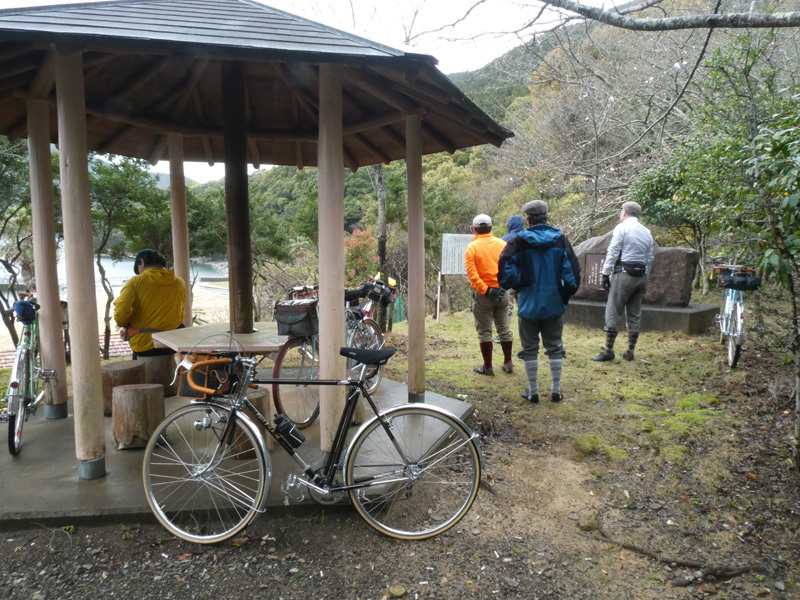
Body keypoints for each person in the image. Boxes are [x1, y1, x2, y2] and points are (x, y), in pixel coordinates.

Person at [498, 200, 580, 403]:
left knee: (529, 348)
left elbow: (503, 267)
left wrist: (519, 282)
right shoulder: (560, 239)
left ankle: (533, 391)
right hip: (554, 302)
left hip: (528, 303)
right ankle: (556, 390)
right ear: (547, 217)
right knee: (554, 346)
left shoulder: (519, 241)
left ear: (528, 219)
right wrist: (562, 295)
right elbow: (573, 276)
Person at [591, 201, 654, 362]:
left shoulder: (622, 228)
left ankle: (608, 350)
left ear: (625, 212)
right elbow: (650, 257)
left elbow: (613, 251)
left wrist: (605, 273)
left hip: (624, 275)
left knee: (613, 311)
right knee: (634, 313)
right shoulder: (647, 231)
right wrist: (645, 274)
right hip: (641, 276)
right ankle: (630, 351)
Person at [464, 214, 513, 376]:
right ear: (491, 228)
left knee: (485, 331)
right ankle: (508, 363)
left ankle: (488, 367)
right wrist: (502, 286)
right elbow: (510, 268)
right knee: (504, 328)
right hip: (502, 292)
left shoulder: (472, 248)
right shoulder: (502, 244)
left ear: (475, 230)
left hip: (483, 295)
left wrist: (486, 290)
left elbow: (473, 275)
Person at [113, 249, 186, 358]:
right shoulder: (179, 282)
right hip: (172, 343)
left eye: (138, 269)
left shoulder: (136, 282)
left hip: (143, 345)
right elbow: (180, 311)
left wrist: (126, 325)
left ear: (141, 262)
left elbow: (121, 313)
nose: (140, 273)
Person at [501, 215, 525, 319]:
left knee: (507, 309)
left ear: (509, 226)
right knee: (525, 308)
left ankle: (505, 334)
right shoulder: (528, 238)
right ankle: (526, 334)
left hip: (509, 279)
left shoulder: (503, 240)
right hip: (525, 278)